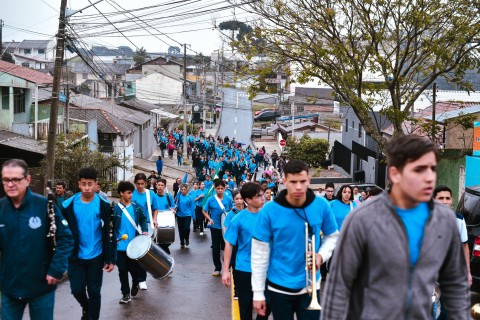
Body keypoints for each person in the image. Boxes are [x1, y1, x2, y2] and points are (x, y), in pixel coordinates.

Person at [322, 134, 470, 319]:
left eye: (432, 169)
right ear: (395, 173)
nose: (429, 177)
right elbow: (339, 290)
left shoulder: (443, 220)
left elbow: (455, 286)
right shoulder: (362, 220)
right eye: (419, 170)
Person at [252, 159, 339, 319]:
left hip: (311, 284)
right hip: (279, 286)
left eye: (302, 181)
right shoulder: (269, 210)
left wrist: (321, 255)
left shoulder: (321, 205)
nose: (298, 187)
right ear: (284, 181)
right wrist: (258, 292)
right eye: (293, 182)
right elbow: (259, 252)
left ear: (309, 180)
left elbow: (332, 236)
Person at [0, 159, 73, 320]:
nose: (10, 184)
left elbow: (66, 238)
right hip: (10, 289)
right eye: (6, 180)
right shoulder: (1, 209)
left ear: (27, 180)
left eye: (16, 180)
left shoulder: (45, 206)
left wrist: (56, 269)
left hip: (41, 287)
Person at [62, 167, 117, 320]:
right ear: (79, 184)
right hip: (76, 256)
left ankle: (92, 316)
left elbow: (109, 234)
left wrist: (110, 259)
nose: (87, 188)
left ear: (96, 184)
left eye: (90, 184)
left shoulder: (103, 205)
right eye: (84, 184)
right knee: (76, 290)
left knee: (94, 292)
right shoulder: (68, 205)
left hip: (96, 255)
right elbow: (62, 233)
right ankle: (87, 308)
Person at [222, 183, 270, 320]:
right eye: (258, 196)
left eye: (263, 195)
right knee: (246, 306)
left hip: (266, 269)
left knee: (267, 304)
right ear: (248, 200)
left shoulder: (268, 216)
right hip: (244, 269)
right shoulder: (238, 220)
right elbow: (229, 245)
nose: (263, 198)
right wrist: (226, 270)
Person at [114, 181, 148, 304]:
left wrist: (144, 231)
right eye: (128, 193)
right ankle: (125, 294)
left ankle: (135, 282)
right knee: (122, 270)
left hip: (134, 245)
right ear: (121, 193)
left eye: (131, 193)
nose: (131, 195)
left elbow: (143, 220)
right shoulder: (115, 209)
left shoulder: (136, 206)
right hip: (120, 247)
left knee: (134, 270)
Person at [433, 185, 472, 285]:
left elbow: (465, 246)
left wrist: (467, 272)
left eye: (447, 198)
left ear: (452, 200)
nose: (445, 201)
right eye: (441, 198)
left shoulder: (459, 220)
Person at [132, 173, 159, 290]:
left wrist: (154, 219)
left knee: (143, 254)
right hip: (133, 226)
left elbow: (155, 209)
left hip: (146, 227)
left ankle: (142, 279)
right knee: (133, 254)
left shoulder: (150, 194)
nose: (140, 186)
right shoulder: (131, 194)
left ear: (146, 183)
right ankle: (135, 279)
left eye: (142, 184)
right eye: (138, 184)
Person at [203, 179, 233, 276]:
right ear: (215, 188)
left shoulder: (228, 198)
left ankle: (227, 266)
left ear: (224, 188)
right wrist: (209, 219)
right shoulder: (211, 199)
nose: (220, 190)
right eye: (218, 188)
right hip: (215, 227)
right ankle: (217, 268)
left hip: (226, 228)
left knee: (226, 248)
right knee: (215, 248)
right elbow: (204, 210)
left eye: (222, 188)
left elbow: (232, 210)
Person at [155, 178, 175, 254]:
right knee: (158, 243)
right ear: (156, 185)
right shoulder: (153, 196)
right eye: (158, 185)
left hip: (166, 223)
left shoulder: (168, 196)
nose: (160, 187)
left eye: (162, 185)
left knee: (166, 242)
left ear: (165, 186)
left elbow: (173, 206)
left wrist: (173, 210)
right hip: (156, 222)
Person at [176, 184, 195, 248]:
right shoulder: (178, 197)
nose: (183, 191)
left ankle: (186, 238)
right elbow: (174, 204)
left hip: (187, 215)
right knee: (181, 230)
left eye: (184, 189)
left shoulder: (190, 197)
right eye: (182, 189)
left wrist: (194, 216)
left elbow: (192, 207)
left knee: (186, 228)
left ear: (187, 190)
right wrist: (175, 206)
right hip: (179, 215)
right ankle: (182, 242)